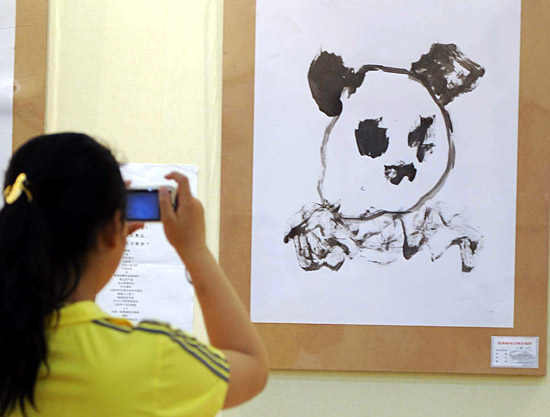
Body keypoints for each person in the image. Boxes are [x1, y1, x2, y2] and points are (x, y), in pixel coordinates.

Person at [0, 133, 269, 417]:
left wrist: (108, 234)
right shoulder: (154, 359)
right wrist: (194, 249)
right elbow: (250, 363)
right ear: (110, 232)